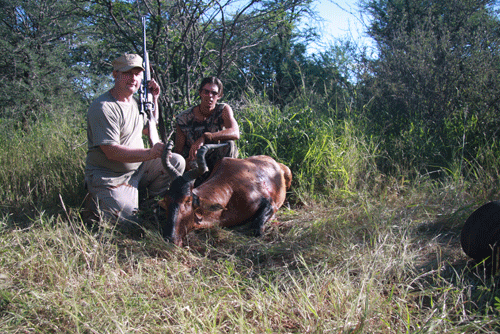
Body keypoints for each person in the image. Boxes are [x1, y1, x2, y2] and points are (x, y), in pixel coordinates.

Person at [84, 53, 185, 229]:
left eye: (137, 74)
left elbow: (149, 126)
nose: (133, 78)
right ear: (115, 74)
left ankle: (149, 204)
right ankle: (97, 202)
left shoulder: (136, 103)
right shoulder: (104, 107)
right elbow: (111, 152)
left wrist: (154, 99)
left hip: (138, 169)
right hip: (110, 175)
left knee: (176, 162)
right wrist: (150, 153)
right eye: (127, 73)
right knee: (128, 225)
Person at [174, 77, 240, 181]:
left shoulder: (223, 110)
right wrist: (185, 163)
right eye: (206, 92)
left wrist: (206, 136)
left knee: (229, 144)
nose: (210, 96)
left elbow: (235, 132)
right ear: (200, 93)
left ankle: (225, 182)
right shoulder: (184, 118)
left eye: (214, 93)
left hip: (216, 158)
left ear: (219, 96)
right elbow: (178, 151)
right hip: (194, 162)